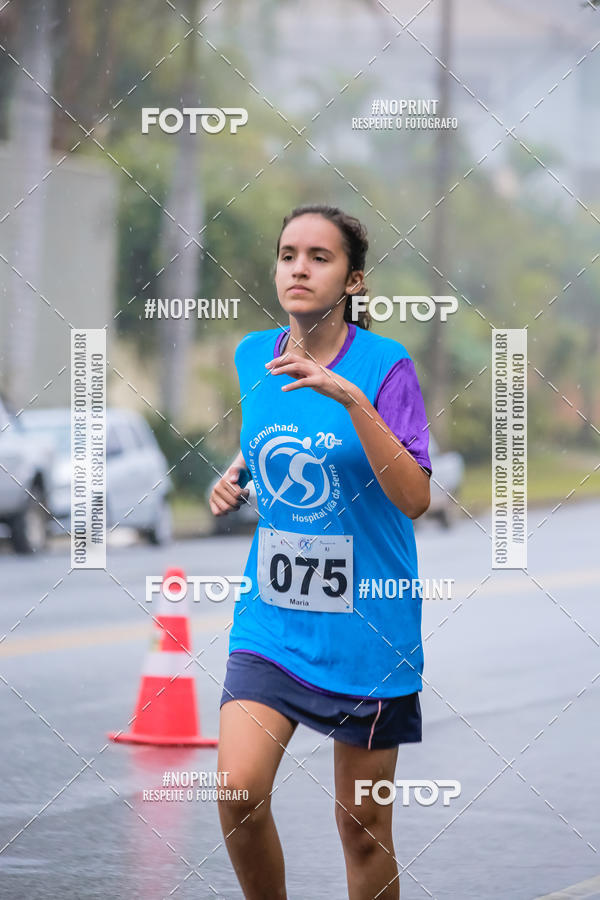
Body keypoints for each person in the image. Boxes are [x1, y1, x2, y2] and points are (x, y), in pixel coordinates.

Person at [209, 204, 432, 900]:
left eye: (319, 256)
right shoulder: (254, 355)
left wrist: (349, 399)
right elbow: (275, 435)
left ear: (354, 280)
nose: (298, 267)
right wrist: (240, 472)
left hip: (368, 628)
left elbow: (415, 497)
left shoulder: (384, 366)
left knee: (362, 826)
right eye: (287, 254)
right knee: (237, 792)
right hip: (272, 620)